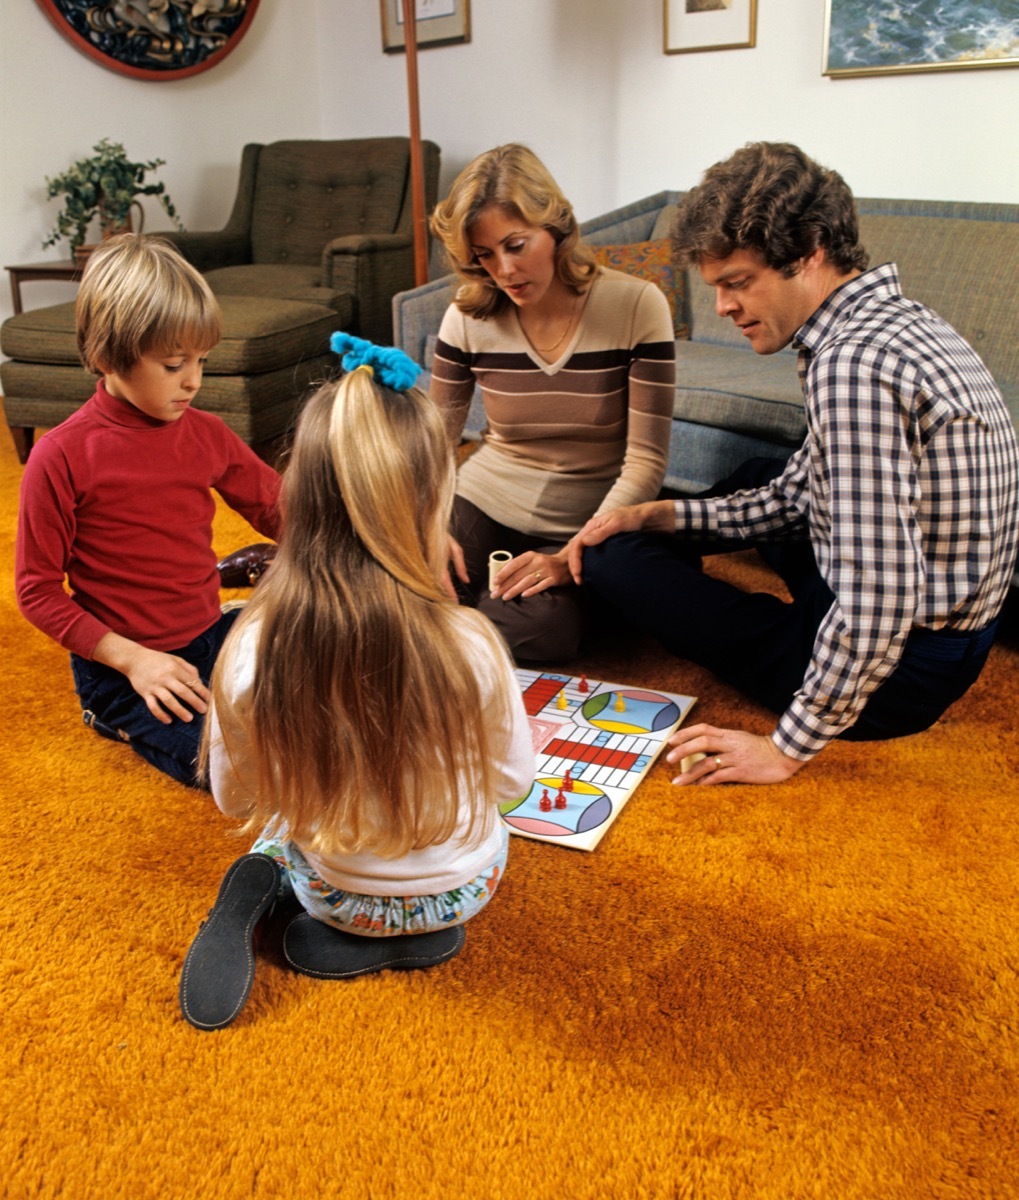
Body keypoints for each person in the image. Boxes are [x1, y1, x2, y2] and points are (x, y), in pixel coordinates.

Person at [569, 142, 1019, 785]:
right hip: (954, 634)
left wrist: (786, 747)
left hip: (900, 678)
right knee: (756, 476)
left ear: (809, 252)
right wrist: (662, 512)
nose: (722, 306)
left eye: (736, 282)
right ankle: (667, 552)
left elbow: (881, 595)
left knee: (616, 560)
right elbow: (798, 496)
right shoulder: (894, 322)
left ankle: (663, 595)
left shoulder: (852, 367)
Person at [178, 335, 535, 1031]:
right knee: (481, 816)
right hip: (465, 890)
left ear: (301, 503)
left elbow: (235, 795)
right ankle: (414, 932)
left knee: (275, 832)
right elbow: (511, 784)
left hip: (334, 893)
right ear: (432, 505)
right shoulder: (472, 645)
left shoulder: (251, 645)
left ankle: (316, 919)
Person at [15, 234, 282, 788]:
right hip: (121, 669)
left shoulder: (206, 433)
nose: (194, 381)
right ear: (109, 354)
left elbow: (279, 507)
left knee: (310, 714)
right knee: (238, 771)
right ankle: (110, 714)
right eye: (173, 364)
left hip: (208, 636)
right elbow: (36, 593)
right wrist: (135, 661)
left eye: (201, 361)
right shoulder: (59, 455)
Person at [427, 143, 676, 663]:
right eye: (485, 255)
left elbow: (646, 462)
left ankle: (444, 627)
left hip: (586, 518)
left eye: (516, 245)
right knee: (408, 570)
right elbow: (434, 445)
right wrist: (427, 527)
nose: (505, 270)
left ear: (557, 227)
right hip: (483, 499)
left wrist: (568, 558)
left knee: (543, 631)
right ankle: (455, 616)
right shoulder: (466, 317)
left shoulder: (636, 305)